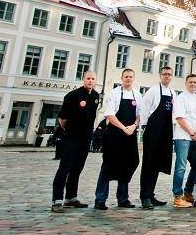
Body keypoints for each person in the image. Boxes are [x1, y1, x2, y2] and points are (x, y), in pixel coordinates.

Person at [51, 70, 99, 212]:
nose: (90, 81)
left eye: (93, 79)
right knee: (64, 168)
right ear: (83, 79)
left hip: (86, 137)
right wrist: (71, 130)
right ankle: (57, 200)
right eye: (88, 78)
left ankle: (71, 197)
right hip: (72, 137)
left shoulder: (96, 96)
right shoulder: (73, 95)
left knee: (77, 168)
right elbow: (62, 119)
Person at [94, 68, 141, 210]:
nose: (128, 79)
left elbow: (139, 115)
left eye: (131, 77)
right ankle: (100, 199)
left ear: (133, 78)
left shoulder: (137, 94)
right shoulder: (114, 93)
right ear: (122, 78)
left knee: (128, 165)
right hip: (114, 135)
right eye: (126, 76)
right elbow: (109, 114)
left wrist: (133, 126)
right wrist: (123, 127)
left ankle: (123, 198)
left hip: (130, 135)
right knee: (108, 166)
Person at [139, 66, 175, 209]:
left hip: (165, 131)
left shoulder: (172, 92)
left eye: (169, 74)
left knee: (157, 164)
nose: (167, 76)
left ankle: (151, 194)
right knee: (149, 164)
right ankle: (145, 197)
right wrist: (144, 127)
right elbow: (144, 110)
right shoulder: (153, 91)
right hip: (153, 130)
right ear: (160, 75)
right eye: (165, 74)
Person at [172, 73, 196, 208]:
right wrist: (191, 132)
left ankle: (188, 192)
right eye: (190, 82)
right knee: (181, 167)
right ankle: (177, 197)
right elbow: (180, 118)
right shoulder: (181, 98)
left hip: (195, 137)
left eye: (195, 82)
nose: (193, 84)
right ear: (186, 83)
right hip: (182, 137)